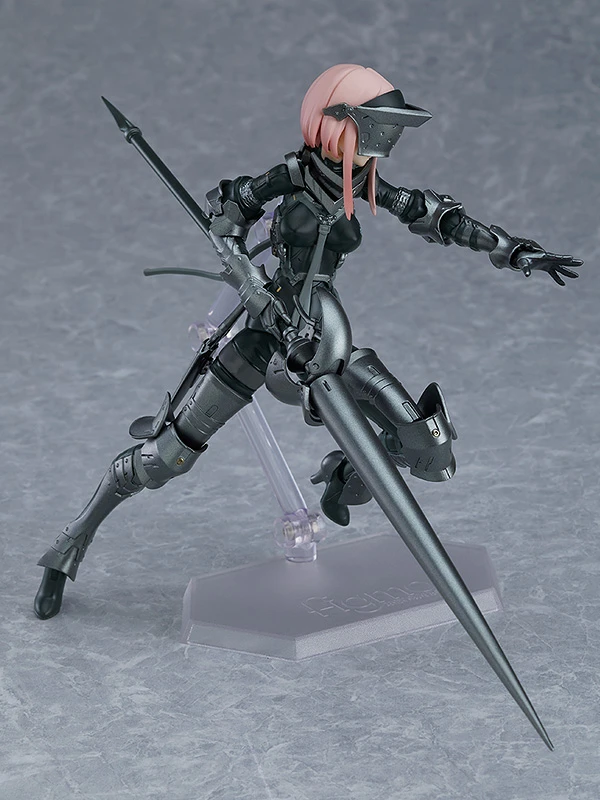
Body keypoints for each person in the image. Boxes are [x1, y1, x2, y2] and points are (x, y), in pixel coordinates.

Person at [34, 63, 581, 620]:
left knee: (429, 448)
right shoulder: (290, 177)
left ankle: (343, 477)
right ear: (337, 123)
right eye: (375, 128)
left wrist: (513, 250)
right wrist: (247, 277)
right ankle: (69, 545)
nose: (383, 143)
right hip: (262, 339)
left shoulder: (362, 185)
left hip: (325, 336)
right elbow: (229, 217)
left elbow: (436, 216)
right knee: (167, 457)